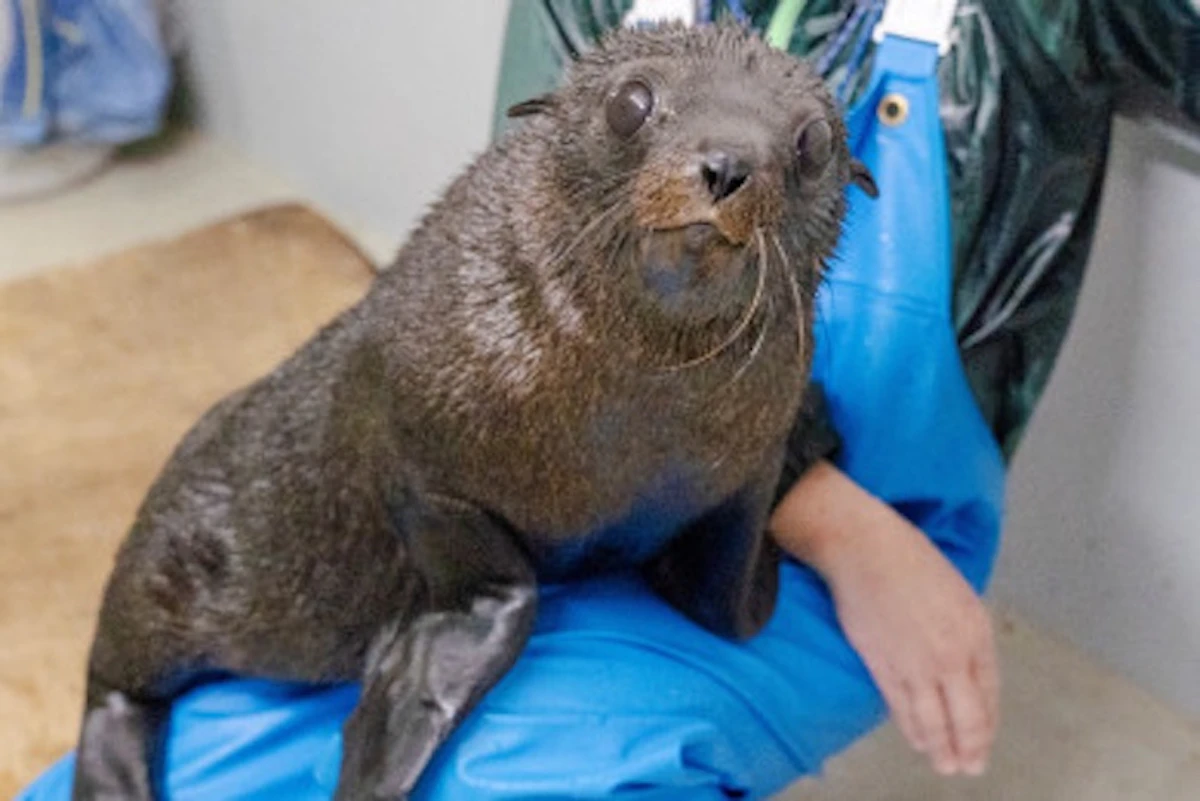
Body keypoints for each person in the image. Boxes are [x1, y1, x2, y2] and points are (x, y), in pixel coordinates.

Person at [17, 1, 1199, 799]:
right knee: (170, 768)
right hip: (528, 503)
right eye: (640, 115)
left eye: (797, 160)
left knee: (537, 775)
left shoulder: (1040, 20)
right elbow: (495, 303)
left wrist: (859, 535)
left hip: (827, 541)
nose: (729, 167)